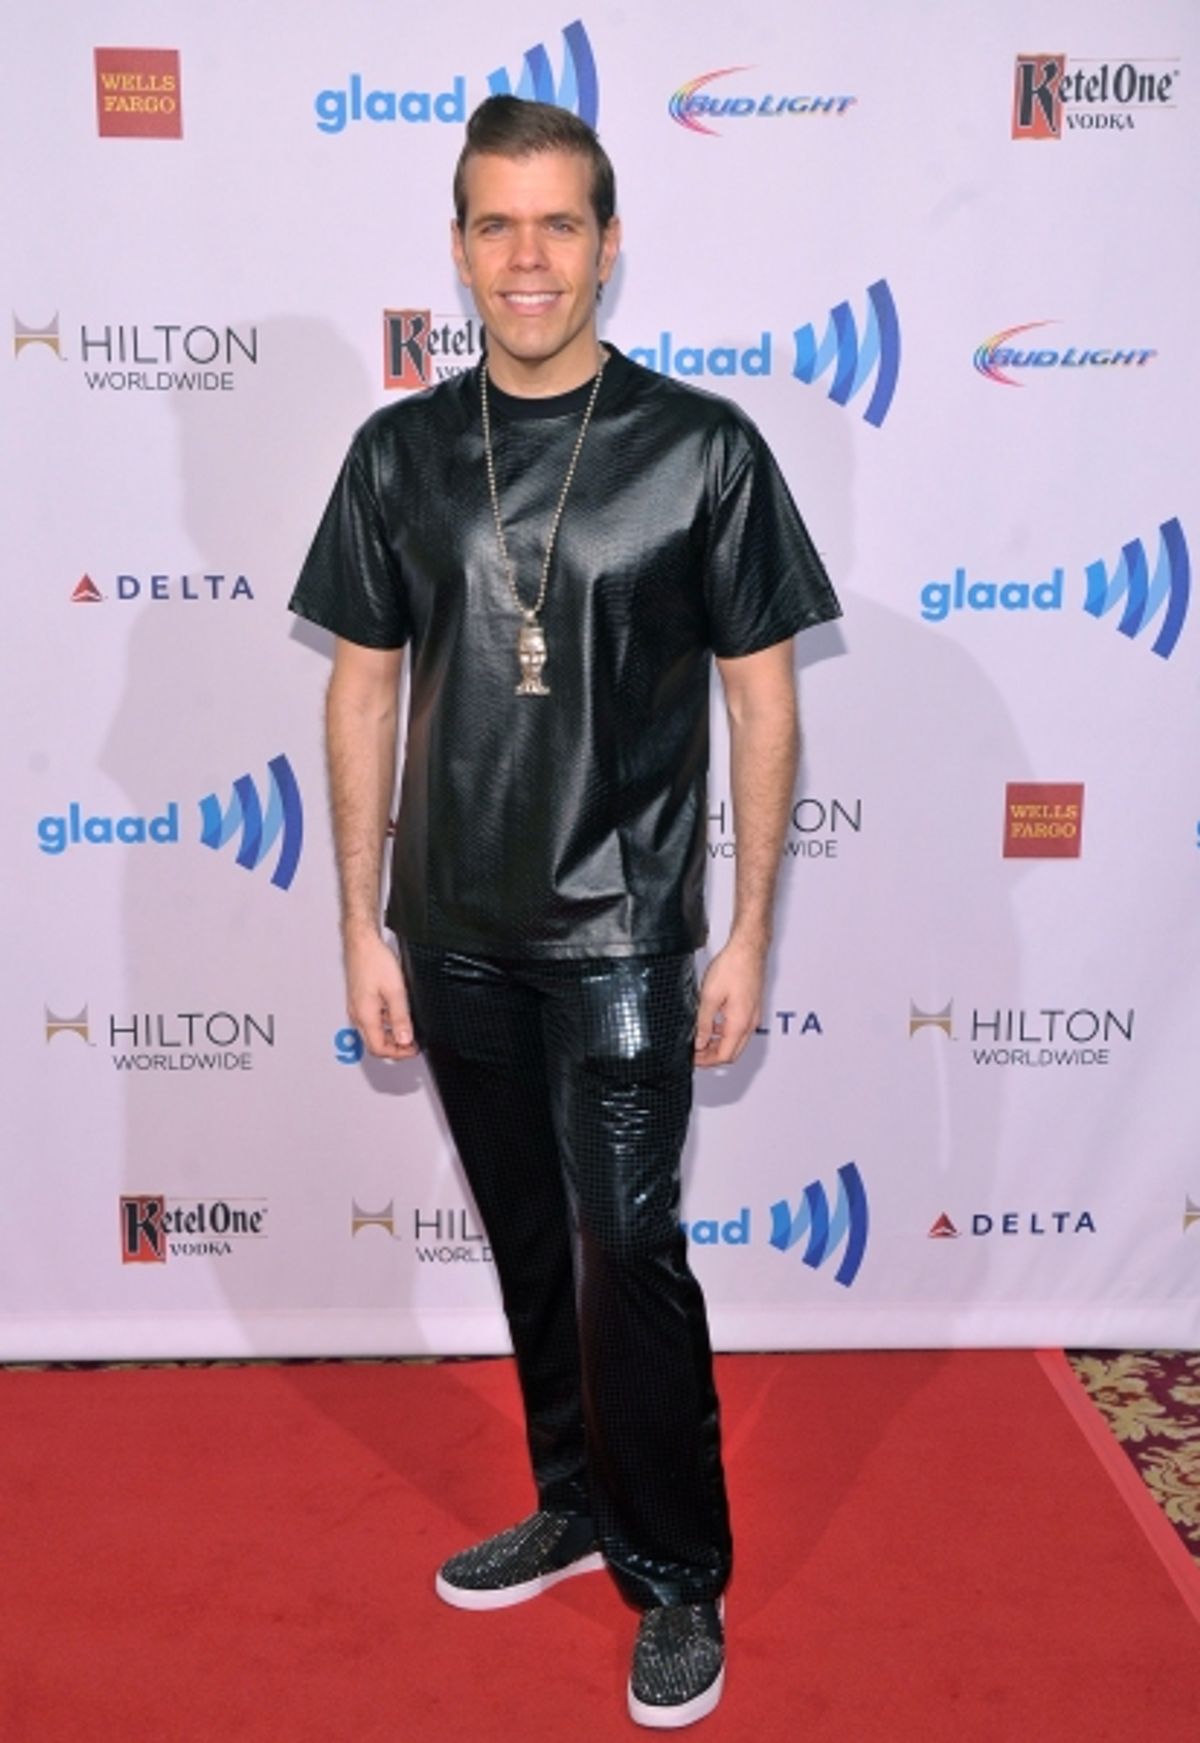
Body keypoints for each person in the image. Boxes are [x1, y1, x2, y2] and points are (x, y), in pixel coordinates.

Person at [290, 94, 840, 1730]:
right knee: (531, 1239)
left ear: (608, 246)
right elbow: (361, 694)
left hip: (622, 937)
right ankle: (576, 1499)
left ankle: (678, 1577)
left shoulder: (704, 449)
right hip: (451, 928)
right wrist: (359, 923)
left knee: (628, 1250)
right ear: (460, 249)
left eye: (558, 225)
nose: (526, 257)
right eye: (496, 225)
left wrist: (747, 933)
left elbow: (763, 706)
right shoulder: (397, 454)